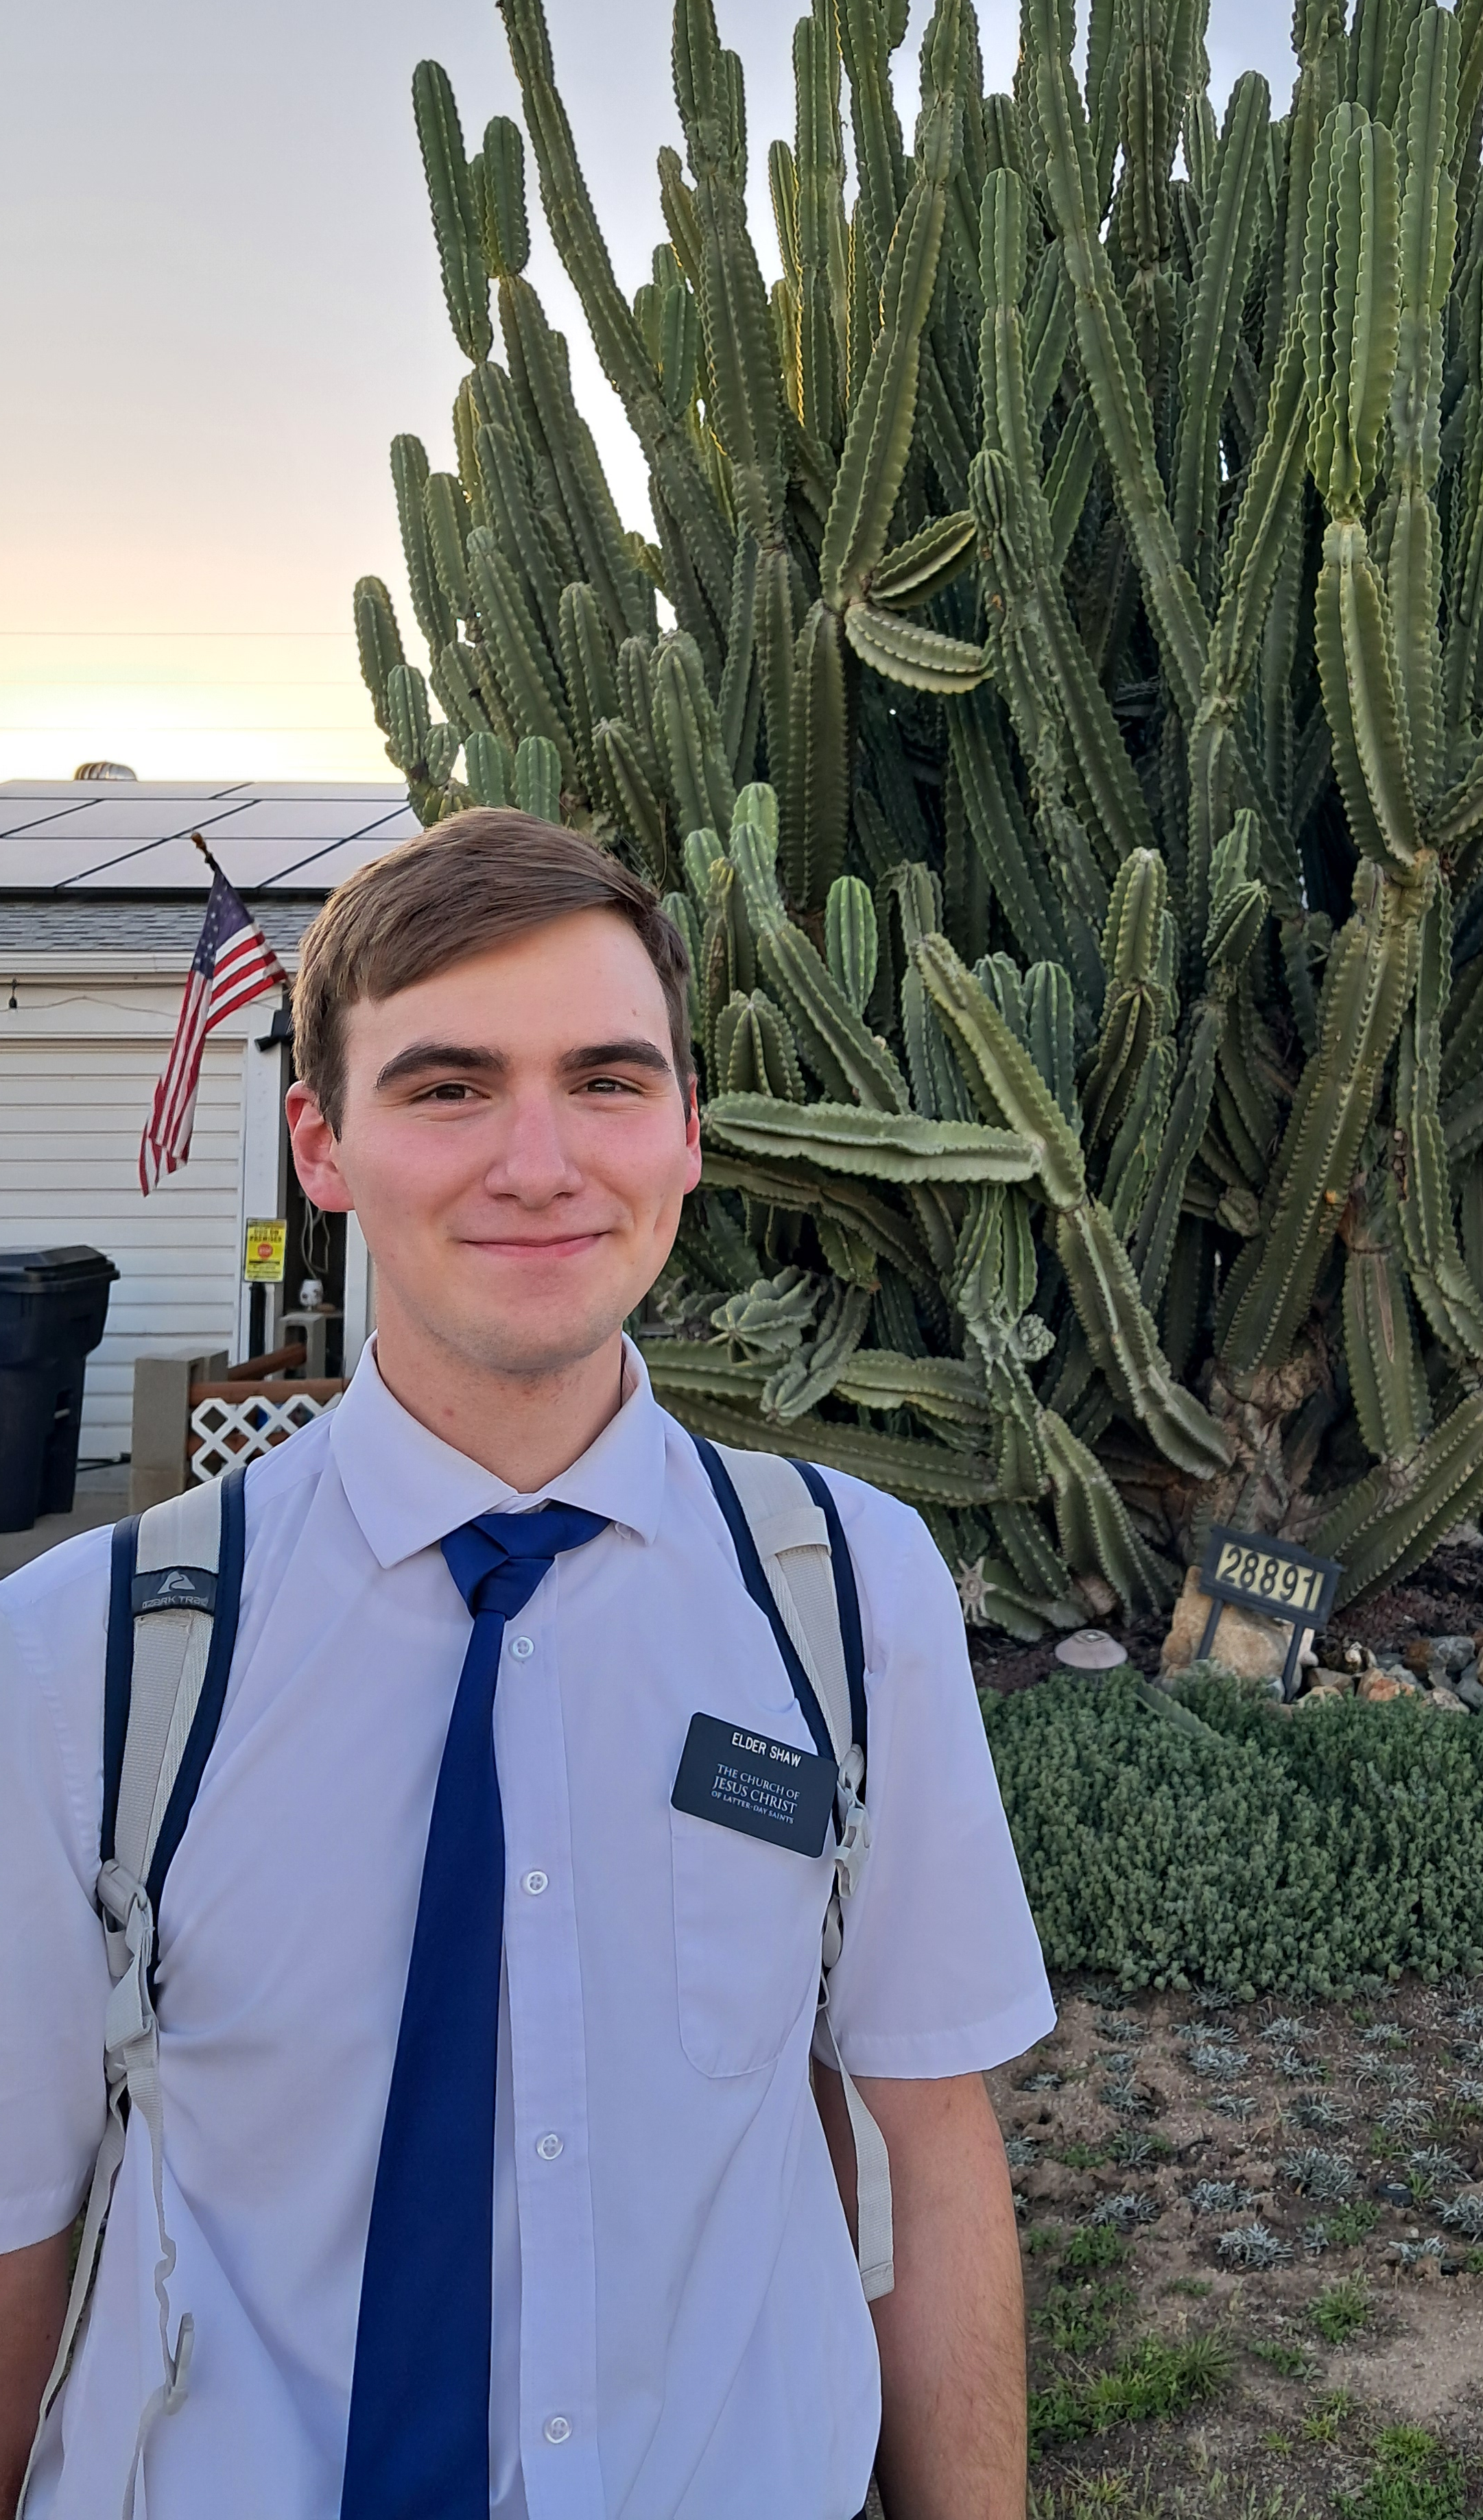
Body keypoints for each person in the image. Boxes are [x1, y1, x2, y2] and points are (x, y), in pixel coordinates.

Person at [0, 809, 1052, 2519]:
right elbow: (17, 2227)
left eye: (610, 1081)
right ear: (321, 1145)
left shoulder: (851, 1593)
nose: (542, 1161)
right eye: (447, 1087)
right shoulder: (84, 1665)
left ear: (688, 1135)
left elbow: (928, 2151)